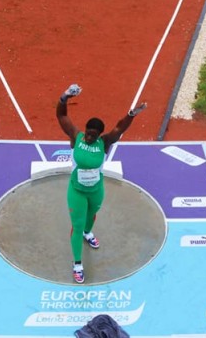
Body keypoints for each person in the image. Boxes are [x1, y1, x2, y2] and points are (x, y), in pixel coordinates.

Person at [56, 84, 147, 284]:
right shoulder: (76, 137)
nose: (88, 137)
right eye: (88, 132)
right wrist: (65, 97)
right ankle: (78, 264)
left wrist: (132, 114)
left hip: (96, 191)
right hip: (77, 192)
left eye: (92, 135)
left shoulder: (104, 143)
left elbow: (119, 128)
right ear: (85, 130)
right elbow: (62, 117)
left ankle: (88, 233)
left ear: (98, 135)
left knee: (91, 216)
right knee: (77, 225)